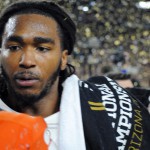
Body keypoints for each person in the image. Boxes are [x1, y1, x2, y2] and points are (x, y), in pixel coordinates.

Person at [0, 0, 150, 149]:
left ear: (63, 58)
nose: (27, 61)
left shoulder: (116, 110)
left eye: (42, 48)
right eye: (14, 47)